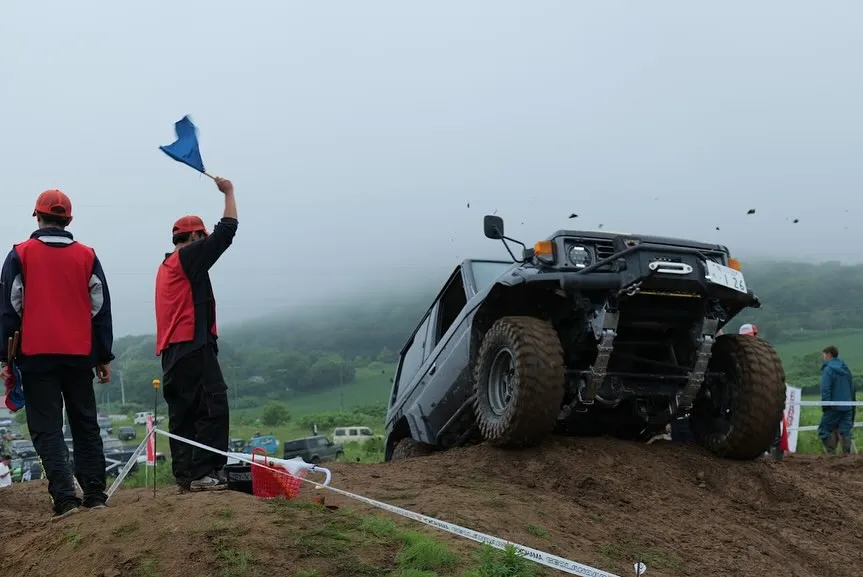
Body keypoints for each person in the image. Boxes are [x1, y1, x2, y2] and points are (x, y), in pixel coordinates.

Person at [0, 190, 113, 519]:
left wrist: (6, 357)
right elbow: (100, 310)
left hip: (36, 356)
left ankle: (65, 500)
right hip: (79, 355)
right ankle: (95, 496)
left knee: (47, 428)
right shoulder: (87, 256)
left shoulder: (20, 254)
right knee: (85, 424)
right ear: (68, 220)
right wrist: (102, 355)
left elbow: (9, 310)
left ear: (37, 216)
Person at [155, 177, 237, 492]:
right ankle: (206, 473)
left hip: (172, 353)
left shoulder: (168, 266)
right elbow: (226, 232)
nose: (205, 243)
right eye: (201, 237)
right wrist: (229, 193)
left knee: (184, 414)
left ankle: (187, 475)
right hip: (193, 346)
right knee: (212, 405)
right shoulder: (187, 259)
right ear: (191, 237)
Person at [818, 345, 855, 455]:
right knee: (845, 431)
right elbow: (852, 388)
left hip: (832, 407)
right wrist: (851, 404)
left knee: (824, 430)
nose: (823, 357)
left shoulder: (828, 369)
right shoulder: (846, 369)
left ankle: (831, 455)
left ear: (829, 354)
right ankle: (847, 457)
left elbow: (825, 389)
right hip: (847, 406)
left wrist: (826, 406)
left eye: (824, 355)